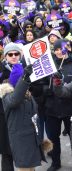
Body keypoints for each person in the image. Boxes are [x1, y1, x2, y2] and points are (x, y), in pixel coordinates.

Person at [0, 63, 51, 171]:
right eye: (24, 79)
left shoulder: (27, 93)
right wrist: (24, 78)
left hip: (31, 138)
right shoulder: (6, 95)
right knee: (26, 168)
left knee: (31, 168)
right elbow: (14, 100)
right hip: (21, 141)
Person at [44, 39, 72, 171]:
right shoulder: (49, 64)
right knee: (53, 137)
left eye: (63, 49)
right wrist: (47, 89)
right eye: (57, 49)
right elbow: (41, 84)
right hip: (52, 108)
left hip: (71, 108)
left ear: (69, 49)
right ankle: (55, 162)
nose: (59, 52)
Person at [0, 43, 24, 171]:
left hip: (22, 115)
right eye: (10, 54)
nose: (14, 56)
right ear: (6, 56)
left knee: (24, 151)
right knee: (7, 152)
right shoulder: (1, 70)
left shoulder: (26, 68)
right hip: (4, 115)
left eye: (16, 54)